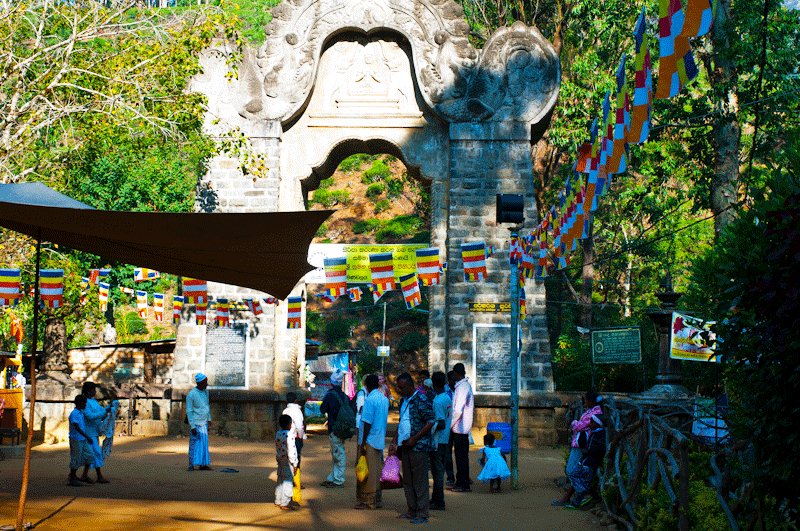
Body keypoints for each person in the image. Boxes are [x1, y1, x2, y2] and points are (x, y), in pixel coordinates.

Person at [390, 372, 435, 525]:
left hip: (418, 446)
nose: (399, 390)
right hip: (405, 445)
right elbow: (402, 421)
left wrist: (415, 438)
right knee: (408, 480)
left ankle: (422, 513)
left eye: (402, 387)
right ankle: (412, 509)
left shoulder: (421, 399)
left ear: (410, 385)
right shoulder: (404, 401)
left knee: (420, 480)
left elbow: (430, 421)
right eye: (399, 387)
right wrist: (394, 441)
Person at [553, 390, 604, 506]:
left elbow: (580, 426)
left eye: (586, 399)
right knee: (576, 472)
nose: (585, 402)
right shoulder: (592, 411)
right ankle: (574, 496)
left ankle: (583, 493)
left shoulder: (595, 413)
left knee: (571, 471)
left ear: (590, 401)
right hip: (581, 444)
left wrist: (574, 423)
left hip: (583, 445)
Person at [355, 374, 390, 510]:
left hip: (369, 439)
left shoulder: (370, 400)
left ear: (367, 386)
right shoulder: (384, 399)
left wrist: (363, 443)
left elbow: (367, 423)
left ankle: (367, 500)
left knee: (367, 470)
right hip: (379, 438)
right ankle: (377, 499)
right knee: (376, 469)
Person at [564, 414, 606, 508]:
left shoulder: (599, 435)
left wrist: (587, 451)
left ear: (597, 424)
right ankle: (579, 500)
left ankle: (587, 494)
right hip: (586, 461)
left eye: (591, 422)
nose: (589, 424)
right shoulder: (594, 433)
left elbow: (598, 450)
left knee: (577, 476)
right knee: (575, 475)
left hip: (590, 463)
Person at [320, 369, 353, 487]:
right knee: (337, 451)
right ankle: (333, 477)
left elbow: (322, 409)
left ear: (331, 382)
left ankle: (338, 479)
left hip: (334, 428)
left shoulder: (329, 395)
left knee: (338, 453)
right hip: (343, 428)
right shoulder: (345, 396)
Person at [449, 362, 474, 492]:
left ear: (456, 374)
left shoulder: (463, 387)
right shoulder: (463, 386)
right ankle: (462, 482)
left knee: (461, 457)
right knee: (461, 457)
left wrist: (450, 424)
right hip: (461, 428)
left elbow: (458, 410)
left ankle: (462, 483)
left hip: (460, 428)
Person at [429, 371, 452, 510]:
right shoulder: (447, 398)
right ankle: (436, 499)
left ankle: (438, 501)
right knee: (439, 471)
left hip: (438, 440)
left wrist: (430, 427)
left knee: (437, 473)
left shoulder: (438, 401)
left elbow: (441, 423)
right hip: (445, 438)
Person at [81, 382, 110, 483]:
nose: (95, 392)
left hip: (94, 431)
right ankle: (99, 476)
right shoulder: (85, 402)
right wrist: (104, 412)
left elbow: (100, 412)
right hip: (88, 433)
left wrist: (107, 411)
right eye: (94, 390)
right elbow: (90, 416)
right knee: (95, 453)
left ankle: (85, 475)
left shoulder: (93, 401)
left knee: (92, 454)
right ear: (89, 391)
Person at [186, 373, 212, 471]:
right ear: (200, 383)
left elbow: (207, 406)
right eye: (205, 382)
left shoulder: (206, 393)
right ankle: (191, 464)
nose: (207, 384)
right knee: (194, 444)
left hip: (204, 422)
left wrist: (209, 419)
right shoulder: (191, 394)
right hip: (196, 423)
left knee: (204, 444)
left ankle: (203, 464)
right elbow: (189, 411)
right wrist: (192, 426)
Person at [68, 394, 93, 487]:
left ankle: (84, 475)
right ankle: (72, 478)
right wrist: (87, 436)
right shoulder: (74, 414)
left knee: (89, 456)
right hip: (76, 439)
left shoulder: (81, 412)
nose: (85, 405)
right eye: (84, 403)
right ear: (79, 403)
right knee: (76, 457)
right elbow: (76, 427)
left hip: (82, 438)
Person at [275, 414, 299, 511]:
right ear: (289, 424)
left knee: (280, 480)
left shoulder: (278, 433)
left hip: (280, 458)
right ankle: (285, 502)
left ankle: (278, 500)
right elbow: (292, 451)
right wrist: (295, 463)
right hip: (288, 461)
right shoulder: (290, 435)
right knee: (288, 481)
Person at [283, 392, 306, 467]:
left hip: (286, 437)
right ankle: (296, 477)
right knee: (296, 459)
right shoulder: (297, 411)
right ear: (296, 400)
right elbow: (299, 426)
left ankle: (287, 477)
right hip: (296, 438)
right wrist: (301, 436)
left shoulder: (285, 411)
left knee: (287, 458)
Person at [445, 370, 457, 486]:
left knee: (460, 452)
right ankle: (450, 477)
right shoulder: (444, 391)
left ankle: (462, 476)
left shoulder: (460, 389)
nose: (455, 381)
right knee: (447, 453)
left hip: (457, 426)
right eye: (453, 379)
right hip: (448, 426)